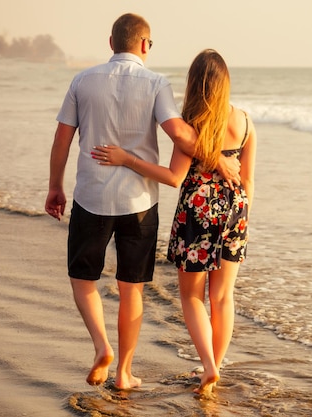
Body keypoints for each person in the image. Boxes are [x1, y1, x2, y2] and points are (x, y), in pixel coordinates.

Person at [45, 15, 240, 390]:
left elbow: (62, 141)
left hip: (91, 197)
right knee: (131, 287)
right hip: (139, 202)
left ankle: (102, 346)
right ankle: (125, 373)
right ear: (145, 45)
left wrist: (55, 186)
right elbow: (180, 134)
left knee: (82, 278)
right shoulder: (155, 83)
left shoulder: (82, 81)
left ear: (111, 42)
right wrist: (216, 157)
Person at [91, 49, 257, 396]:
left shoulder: (190, 125)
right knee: (224, 296)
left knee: (192, 296)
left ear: (194, 83)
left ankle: (208, 366)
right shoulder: (244, 121)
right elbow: (249, 180)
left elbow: (172, 177)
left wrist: (127, 159)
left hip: (198, 210)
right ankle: (215, 366)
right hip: (236, 209)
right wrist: (242, 218)